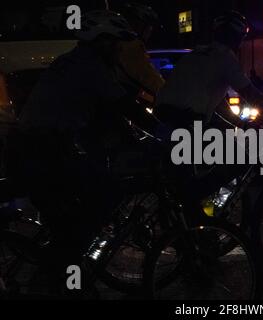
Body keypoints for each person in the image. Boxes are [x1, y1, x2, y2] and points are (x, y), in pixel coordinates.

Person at [14, 10, 143, 293]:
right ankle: (54, 279)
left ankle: (63, 271)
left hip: (39, 148)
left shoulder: (73, 61)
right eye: (117, 43)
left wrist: (132, 137)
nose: (120, 49)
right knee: (105, 195)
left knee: (75, 211)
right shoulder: (89, 65)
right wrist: (162, 132)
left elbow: (109, 114)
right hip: (41, 152)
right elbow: (124, 106)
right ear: (103, 42)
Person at [154, 11, 263, 221]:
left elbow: (217, 104)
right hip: (188, 122)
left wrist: (238, 124)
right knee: (242, 158)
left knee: (191, 172)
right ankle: (193, 197)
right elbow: (249, 92)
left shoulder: (196, 54)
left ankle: (192, 213)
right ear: (238, 38)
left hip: (166, 119)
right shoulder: (225, 57)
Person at [116, 2, 165, 104]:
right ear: (139, 26)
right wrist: (167, 93)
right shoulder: (132, 46)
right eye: (149, 27)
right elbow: (148, 76)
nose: (150, 32)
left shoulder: (118, 44)